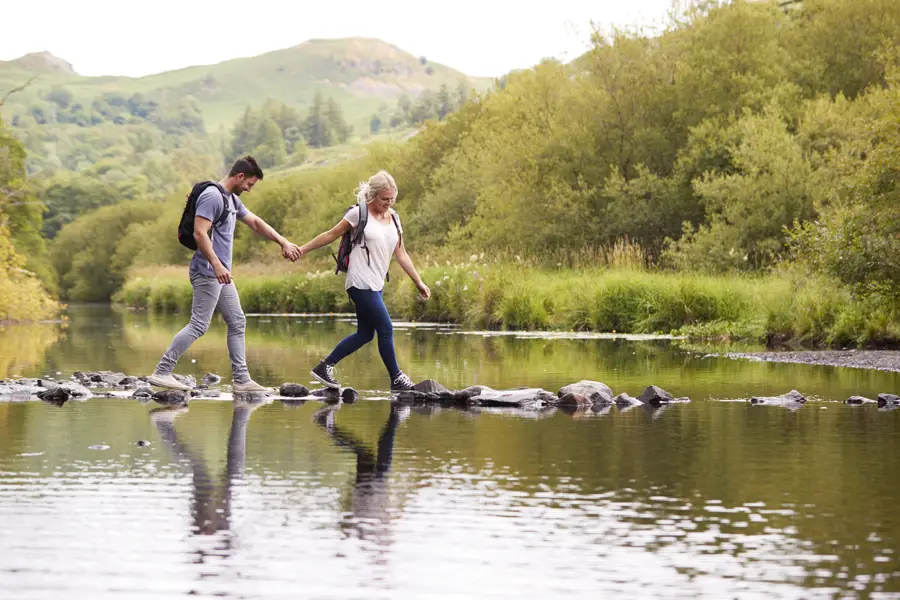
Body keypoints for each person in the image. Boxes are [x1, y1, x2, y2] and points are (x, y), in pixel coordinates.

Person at [147, 156, 302, 393]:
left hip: (221, 274)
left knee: (237, 321)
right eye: (249, 184)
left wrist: (283, 241)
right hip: (208, 271)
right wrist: (217, 265)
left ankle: (241, 380)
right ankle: (162, 371)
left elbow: (255, 222)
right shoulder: (212, 196)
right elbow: (200, 233)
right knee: (199, 324)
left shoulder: (231, 200)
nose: (249, 189)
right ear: (239, 177)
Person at [298, 170, 430, 392]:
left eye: (392, 199)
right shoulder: (358, 215)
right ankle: (397, 378)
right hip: (359, 282)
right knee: (386, 328)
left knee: (365, 334)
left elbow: (402, 254)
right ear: (372, 195)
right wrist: (302, 249)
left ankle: (324, 367)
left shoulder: (394, 219)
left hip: (376, 284)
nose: (388, 203)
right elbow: (330, 234)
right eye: (384, 199)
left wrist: (419, 282)